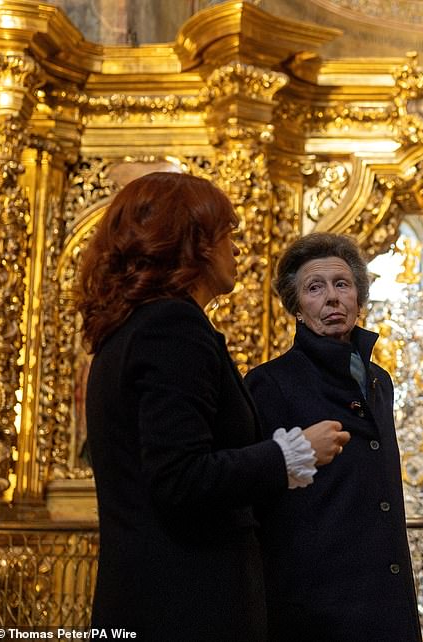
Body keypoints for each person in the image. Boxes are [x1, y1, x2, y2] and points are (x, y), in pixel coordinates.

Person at [76, 172, 348, 640]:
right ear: (191, 244)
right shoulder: (172, 328)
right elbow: (179, 477)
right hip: (185, 605)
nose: (236, 249)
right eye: (227, 235)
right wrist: (291, 452)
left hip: (152, 599)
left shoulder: (132, 328)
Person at [245, 232, 422, 641]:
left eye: (342, 284)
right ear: (297, 306)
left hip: (385, 593)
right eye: (314, 287)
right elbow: (256, 491)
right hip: (315, 604)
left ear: (359, 299)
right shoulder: (269, 383)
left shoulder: (380, 380)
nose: (331, 298)